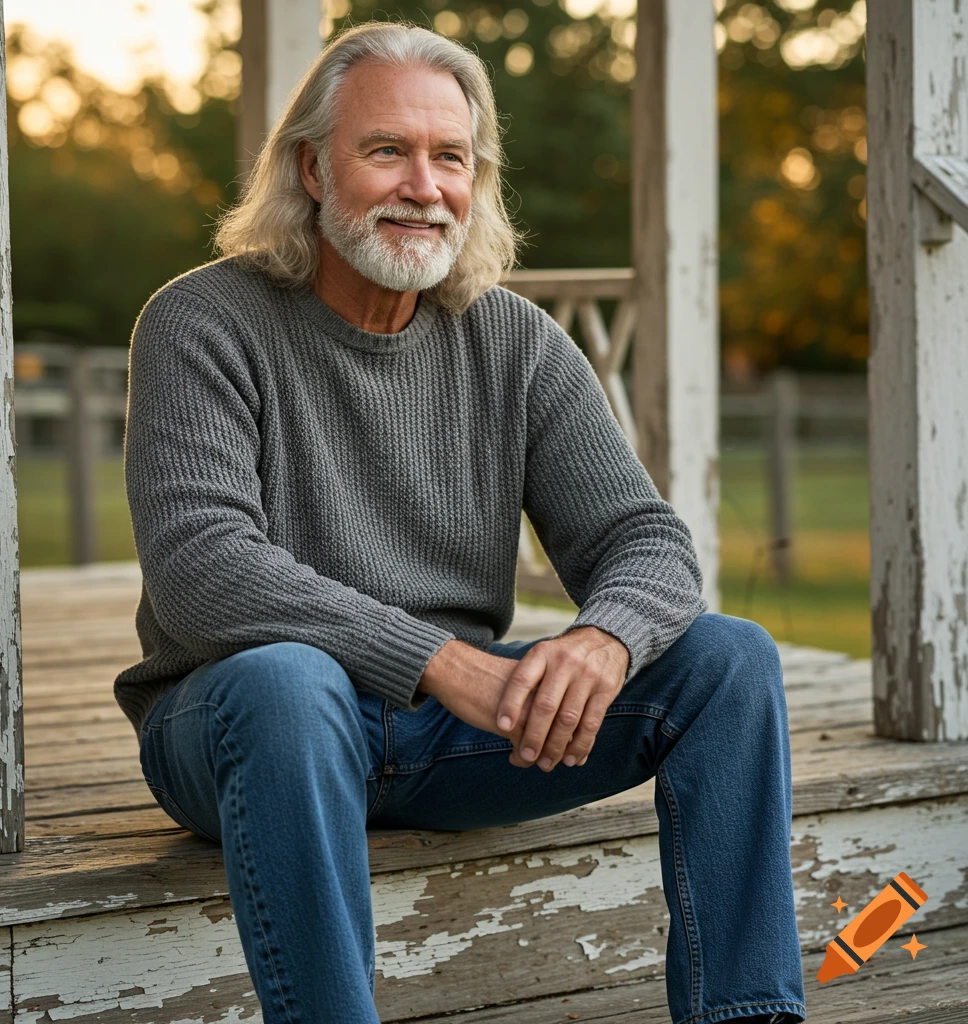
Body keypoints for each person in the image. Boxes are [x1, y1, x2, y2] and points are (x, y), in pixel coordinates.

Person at [112, 20, 806, 1024]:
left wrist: (605, 640)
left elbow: (643, 542)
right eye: (386, 150)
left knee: (727, 659)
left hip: (453, 737)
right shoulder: (201, 322)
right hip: (240, 726)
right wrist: (440, 660)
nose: (424, 185)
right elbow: (203, 567)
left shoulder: (515, 341)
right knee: (287, 678)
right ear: (312, 167)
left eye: (452, 157)